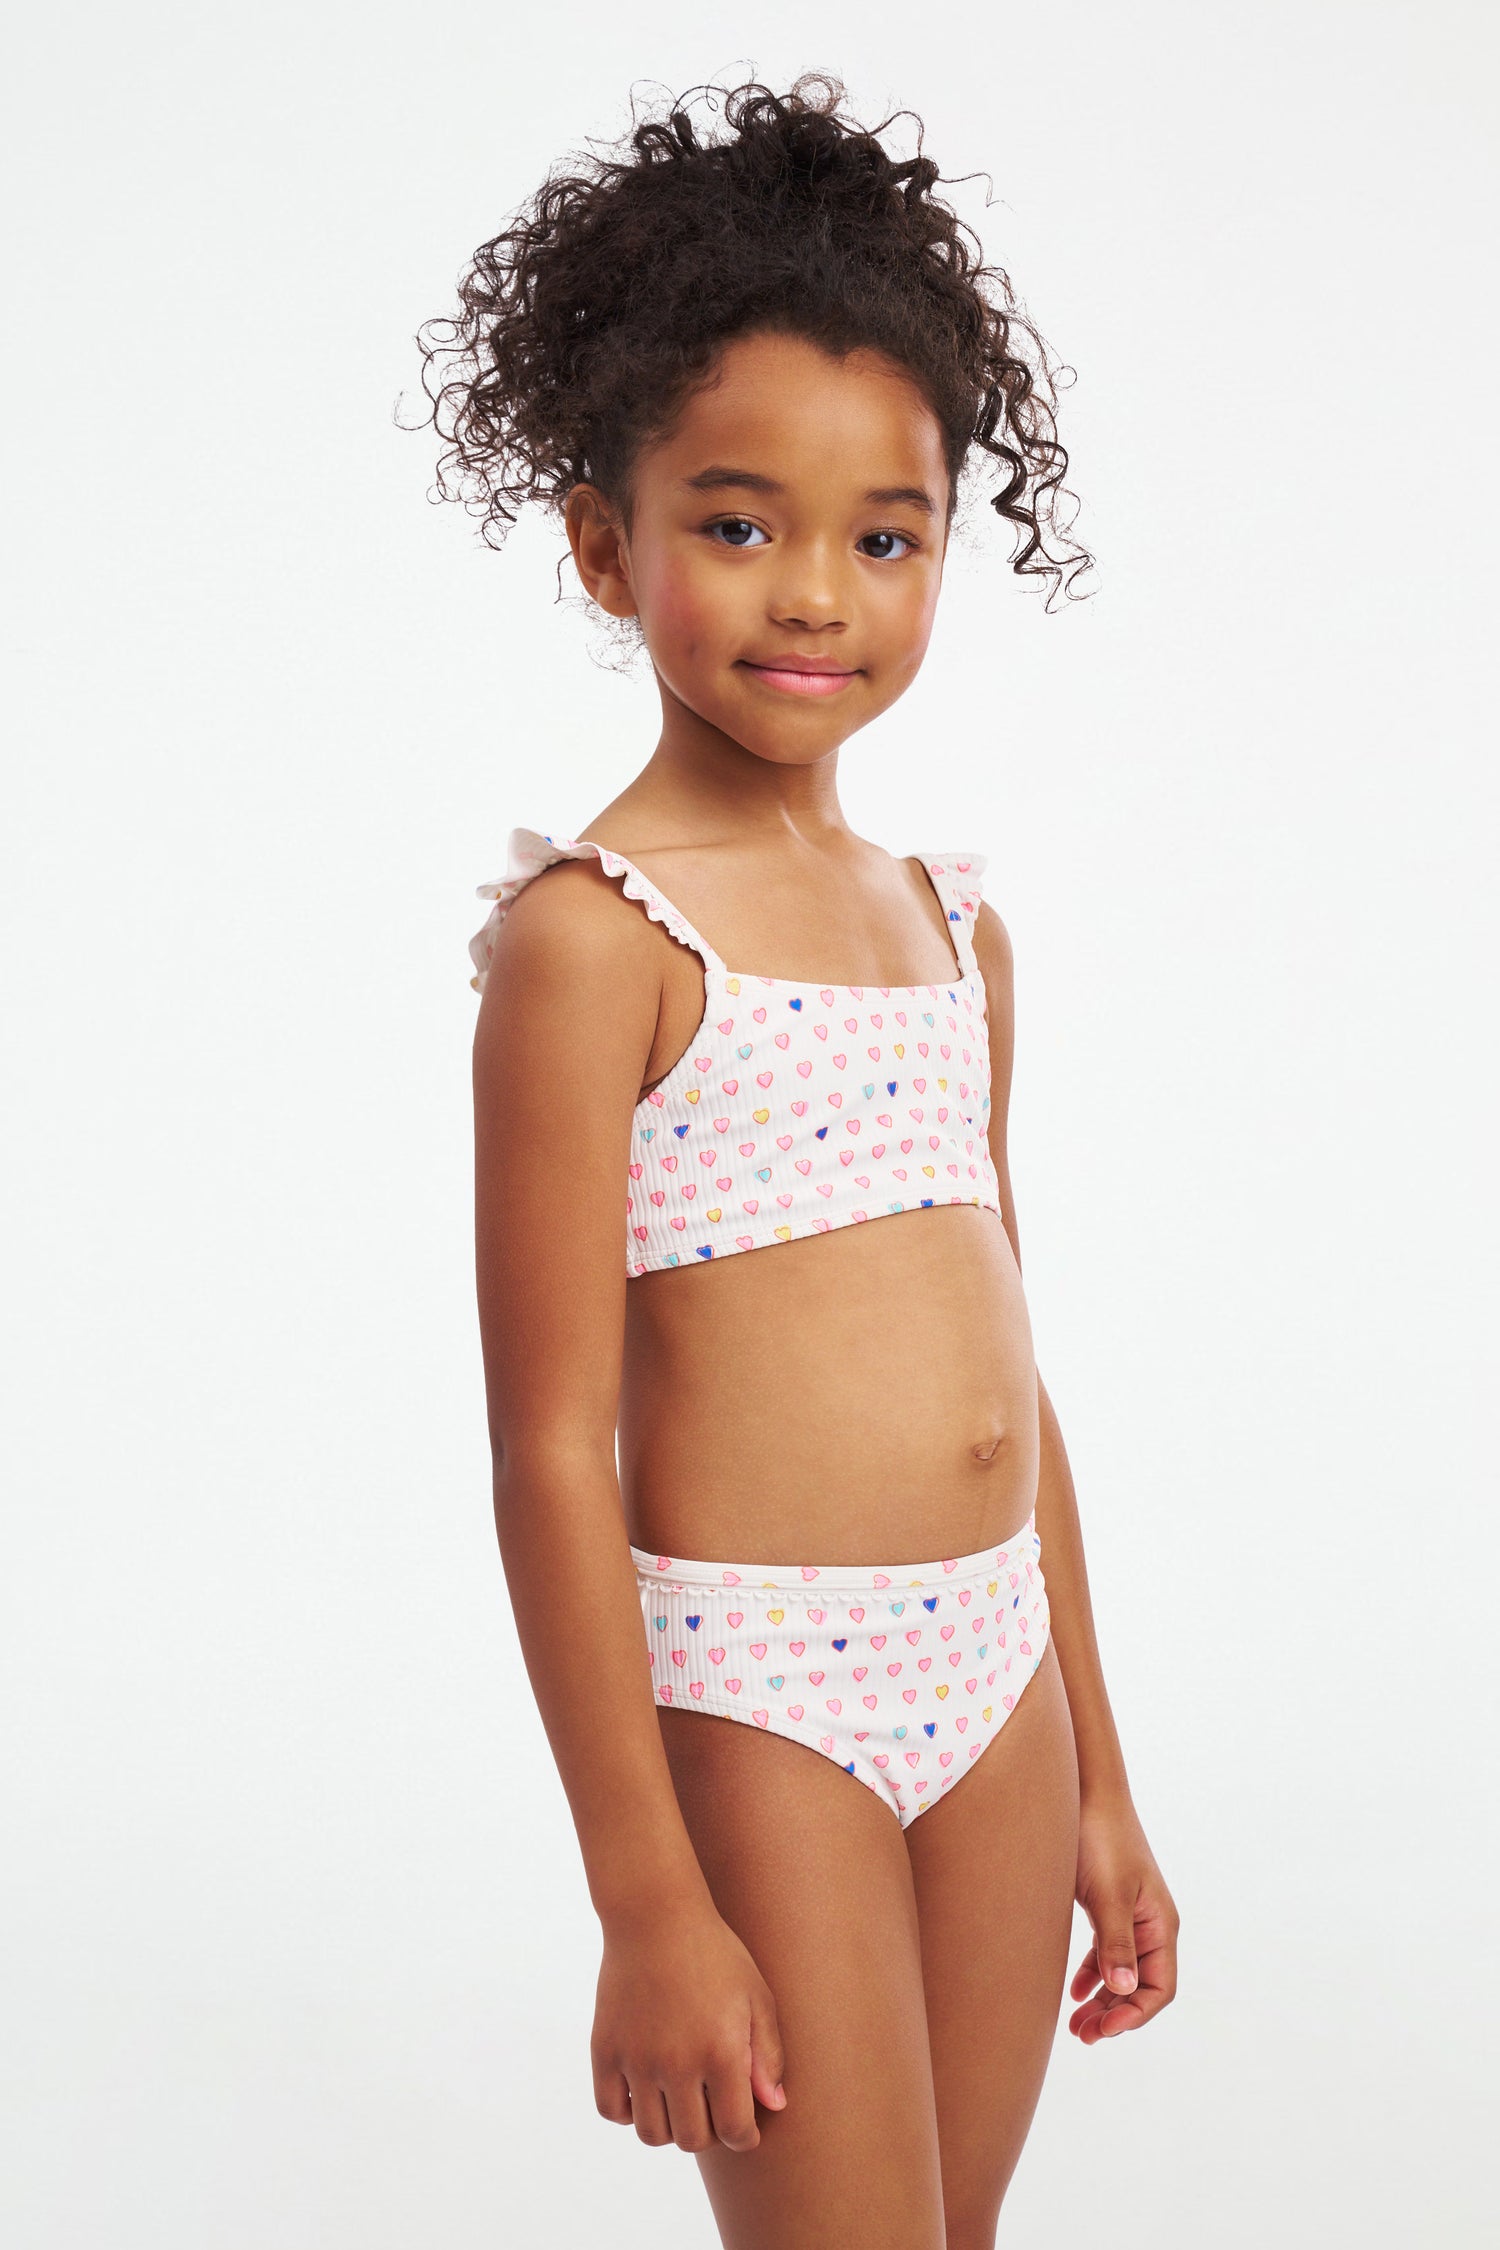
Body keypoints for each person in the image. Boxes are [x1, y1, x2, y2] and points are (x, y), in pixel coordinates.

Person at [419, 73, 1179, 2249]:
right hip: (768, 1696)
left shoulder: (955, 932)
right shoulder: (595, 945)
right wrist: (645, 1896)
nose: (816, 596)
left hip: (998, 1675)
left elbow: (1014, 1383)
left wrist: (1104, 1774)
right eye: (739, 526)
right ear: (607, 544)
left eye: (886, 536)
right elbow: (548, 1448)